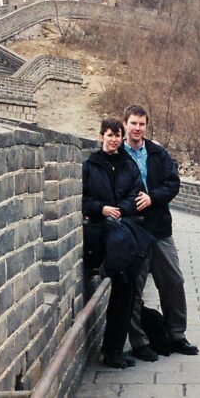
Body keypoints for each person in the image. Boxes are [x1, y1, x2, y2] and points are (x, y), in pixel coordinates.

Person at [122, 105, 199, 361]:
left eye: (142, 124)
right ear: (125, 124)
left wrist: (152, 198)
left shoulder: (157, 153)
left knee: (174, 281)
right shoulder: (118, 156)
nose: (137, 128)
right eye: (133, 123)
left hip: (159, 229)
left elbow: (173, 184)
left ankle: (177, 335)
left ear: (146, 126)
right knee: (135, 288)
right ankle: (140, 341)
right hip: (133, 231)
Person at [82, 118, 146, 369]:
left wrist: (120, 209)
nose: (114, 139)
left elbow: (137, 194)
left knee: (126, 288)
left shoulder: (128, 166)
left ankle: (114, 349)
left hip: (123, 229)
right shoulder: (90, 166)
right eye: (109, 135)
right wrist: (102, 209)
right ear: (100, 136)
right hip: (99, 233)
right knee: (124, 278)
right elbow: (83, 199)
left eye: (117, 135)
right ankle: (111, 351)